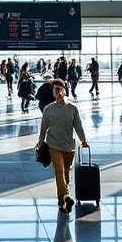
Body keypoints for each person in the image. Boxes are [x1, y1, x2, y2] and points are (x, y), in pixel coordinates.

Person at [36, 79, 88, 213]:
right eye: (55, 90)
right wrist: (40, 141)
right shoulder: (48, 109)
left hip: (69, 145)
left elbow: (78, 126)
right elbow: (43, 128)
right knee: (59, 171)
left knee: (66, 172)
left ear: (65, 91)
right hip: (54, 145)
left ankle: (62, 201)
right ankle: (66, 196)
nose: (57, 92)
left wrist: (83, 140)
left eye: (60, 89)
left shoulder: (72, 109)